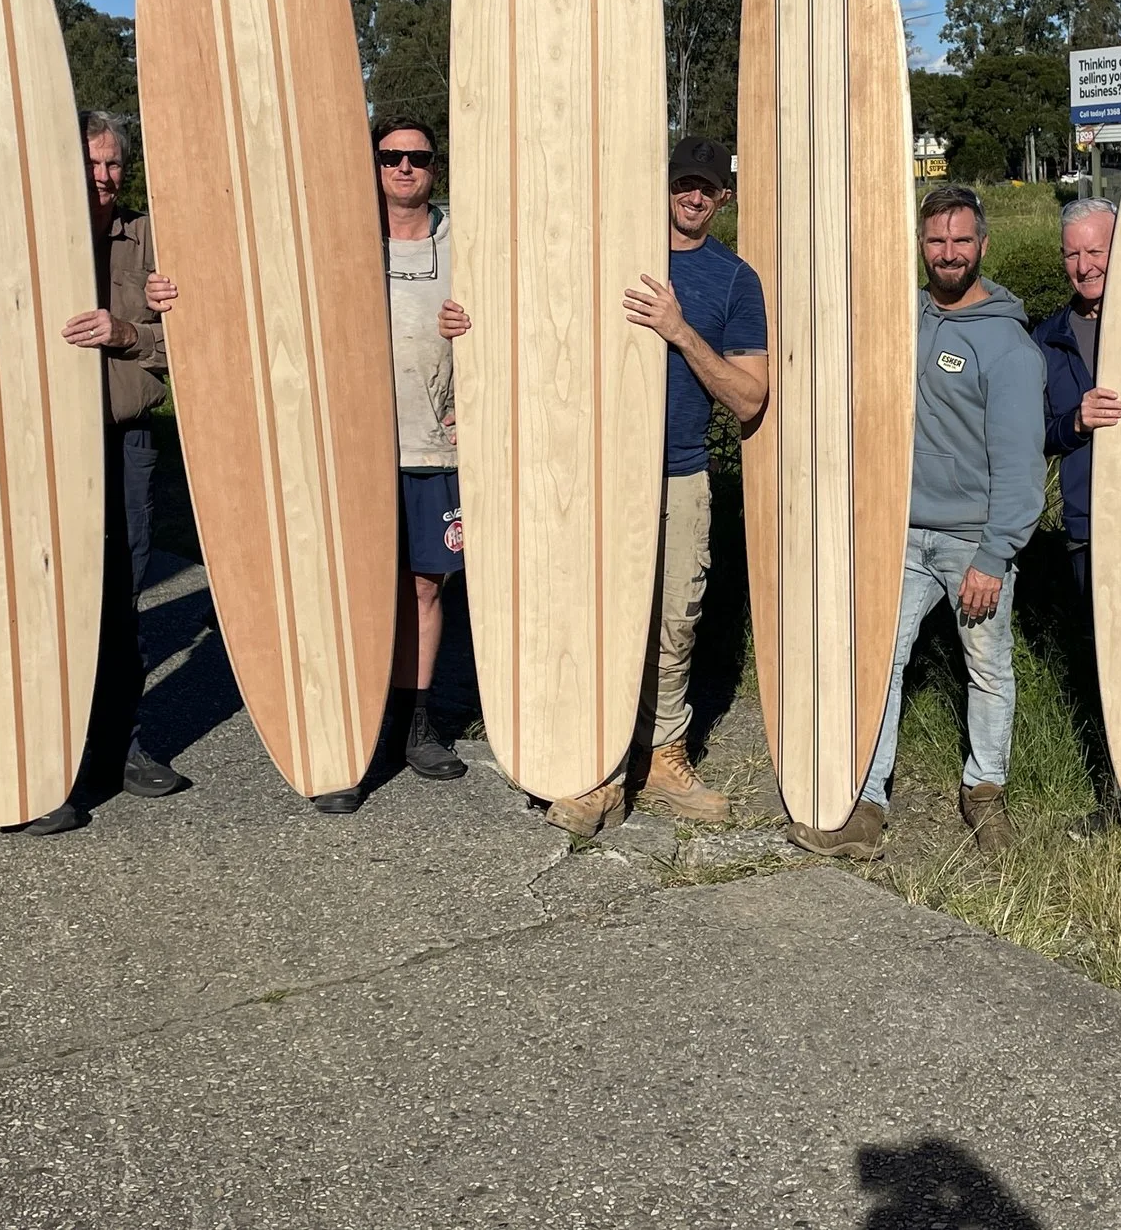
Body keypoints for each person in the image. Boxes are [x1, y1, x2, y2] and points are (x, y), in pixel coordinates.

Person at [789, 183, 1044, 862]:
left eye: (962, 240)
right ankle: (866, 803)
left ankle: (984, 791)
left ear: (983, 245)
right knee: (880, 661)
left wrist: (994, 554)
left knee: (988, 669)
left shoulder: (1010, 349)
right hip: (898, 531)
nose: (949, 252)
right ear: (921, 244)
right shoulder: (905, 317)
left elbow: (1021, 470)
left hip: (973, 540)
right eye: (937, 240)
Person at [532, 135, 769, 837]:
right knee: (605, 620)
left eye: (705, 186)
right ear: (664, 188)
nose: (692, 196)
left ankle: (662, 757)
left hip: (683, 474)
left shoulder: (734, 281)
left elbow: (751, 398)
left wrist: (681, 331)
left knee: (675, 622)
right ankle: (597, 771)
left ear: (722, 196)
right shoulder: (616, 257)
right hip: (603, 474)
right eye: (682, 184)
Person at [4, 111, 189, 835]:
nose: (105, 177)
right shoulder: (30, 238)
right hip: (45, 448)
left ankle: (120, 747)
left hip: (126, 441)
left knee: (123, 597)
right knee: (50, 599)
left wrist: (128, 333)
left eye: (114, 164)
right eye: (91, 163)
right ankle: (49, 763)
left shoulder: (149, 239)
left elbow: (190, 339)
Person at [307, 115, 475, 814]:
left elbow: (517, 313)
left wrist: (476, 348)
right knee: (359, 591)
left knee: (424, 590)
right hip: (358, 446)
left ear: (434, 166)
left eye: (418, 157)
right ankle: (351, 736)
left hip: (434, 448)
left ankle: (415, 725)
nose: (404, 167)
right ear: (373, 165)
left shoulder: (461, 238)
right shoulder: (343, 237)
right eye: (390, 156)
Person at [1032, 198, 1121, 602]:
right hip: (1086, 526)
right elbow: (1036, 435)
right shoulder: (1047, 340)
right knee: (1095, 654)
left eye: (1095, 251)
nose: (1083, 266)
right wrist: (1075, 423)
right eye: (1072, 254)